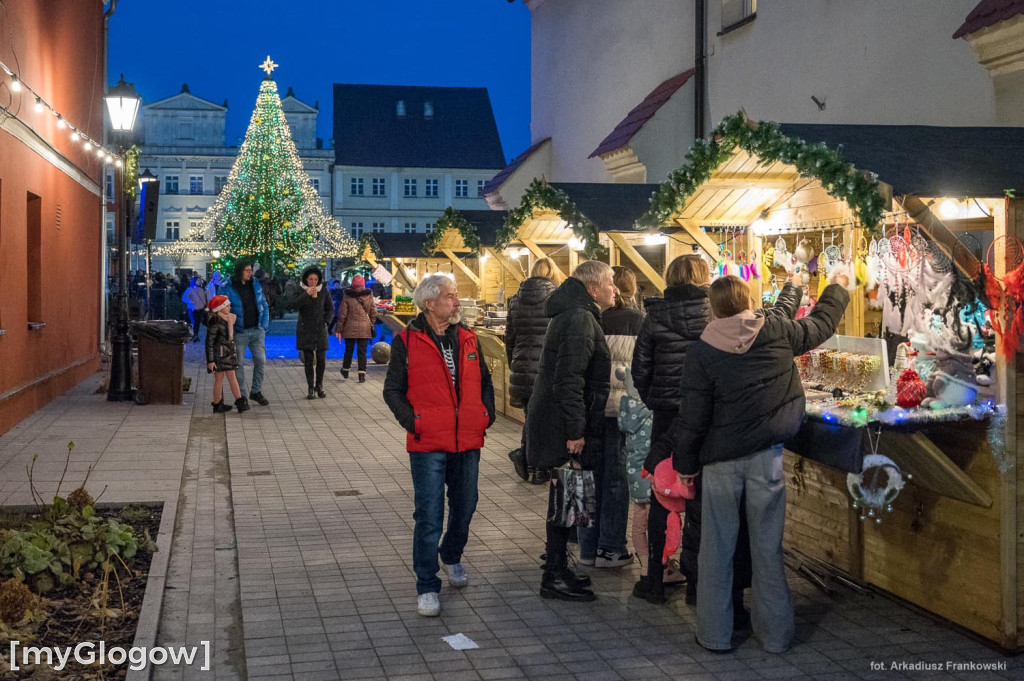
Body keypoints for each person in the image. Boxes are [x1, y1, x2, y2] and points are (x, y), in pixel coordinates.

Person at [657, 271, 849, 654]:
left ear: (713, 307)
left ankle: (714, 635)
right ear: (748, 301)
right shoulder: (777, 332)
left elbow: (692, 416)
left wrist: (686, 465)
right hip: (766, 459)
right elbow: (820, 324)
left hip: (719, 464)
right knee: (767, 549)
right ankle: (776, 636)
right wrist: (837, 288)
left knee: (716, 550)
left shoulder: (702, 350)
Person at [383, 274, 495, 617]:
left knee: (466, 504)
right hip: (428, 441)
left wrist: (484, 416)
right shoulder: (407, 340)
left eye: (456, 296)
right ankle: (427, 584)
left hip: (467, 440)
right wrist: (414, 422)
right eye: (450, 296)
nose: (457, 302)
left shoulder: (468, 337)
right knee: (429, 515)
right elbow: (392, 391)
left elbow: (485, 382)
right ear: (429, 303)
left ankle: (451, 554)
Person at [527, 260, 616, 602]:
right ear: (593, 289)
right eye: (610, 282)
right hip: (563, 425)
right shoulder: (579, 317)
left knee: (566, 496)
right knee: (565, 495)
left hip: (558, 420)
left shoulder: (577, 313)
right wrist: (576, 430)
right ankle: (554, 576)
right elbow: (570, 379)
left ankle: (559, 569)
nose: (615, 289)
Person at [578, 266, 643, 569]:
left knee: (588, 477)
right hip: (622, 410)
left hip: (591, 410)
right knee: (616, 480)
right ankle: (612, 547)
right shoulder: (638, 321)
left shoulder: (589, 319)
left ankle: (587, 548)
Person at [504, 257, 562, 484]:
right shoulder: (557, 298)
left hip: (522, 365)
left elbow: (510, 337)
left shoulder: (516, 299)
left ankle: (529, 459)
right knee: (543, 419)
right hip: (546, 367)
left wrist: (514, 363)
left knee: (532, 417)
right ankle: (537, 467)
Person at [220, 259, 271, 406]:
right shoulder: (227, 287)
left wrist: (263, 325)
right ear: (239, 271)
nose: (250, 273)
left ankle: (256, 391)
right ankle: (241, 396)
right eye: (247, 270)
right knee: (239, 364)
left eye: (251, 270)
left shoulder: (255, 284)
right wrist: (229, 327)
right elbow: (220, 309)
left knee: (261, 360)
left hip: (257, 330)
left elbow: (263, 304)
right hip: (239, 332)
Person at [292, 266, 334, 399]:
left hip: (320, 328)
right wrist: (306, 294)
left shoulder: (324, 291)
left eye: (316, 279)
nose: (313, 282)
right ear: (306, 279)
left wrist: (326, 321)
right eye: (311, 279)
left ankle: (319, 385)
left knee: (321, 359)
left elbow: (330, 308)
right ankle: (310, 387)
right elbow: (293, 304)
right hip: (305, 328)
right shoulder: (300, 290)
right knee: (308, 360)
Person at [205, 295, 250, 413]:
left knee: (228, 378)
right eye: (227, 305)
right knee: (221, 379)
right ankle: (234, 401)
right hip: (220, 355)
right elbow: (209, 342)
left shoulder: (227, 320)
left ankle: (221, 403)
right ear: (220, 308)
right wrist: (211, 360)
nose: (229, 307)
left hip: (227, 354)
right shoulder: (215, 322)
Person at [336, 275, 378, 383]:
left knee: (348, 350)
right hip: (364, 326)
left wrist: (339, 328)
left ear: (352, 284)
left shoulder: (347, 295)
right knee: (362, 351)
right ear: (363, 284)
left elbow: (342, 314)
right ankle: (362, 374)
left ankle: (345, 370)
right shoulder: (369, 295)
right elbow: (373, 312)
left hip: (349, 326)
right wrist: (371, 323)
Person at [182, 276, 208, 343]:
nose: (199, 282)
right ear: (194, 281)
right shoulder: (190, 289)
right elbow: (184, 298)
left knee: (198, 323)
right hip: (193, 309)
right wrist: (190, 301)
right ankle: (194, 335)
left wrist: (204, 306)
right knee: (194, 322)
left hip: (200, 309)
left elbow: (203, 299)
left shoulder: (201, 289)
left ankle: (195, 335)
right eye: (198, 280)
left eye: (200, 280)